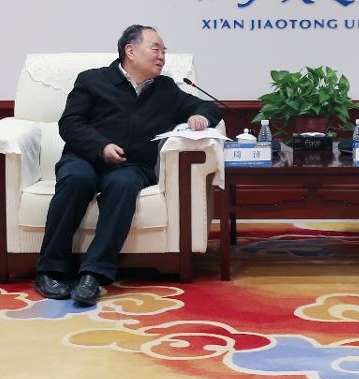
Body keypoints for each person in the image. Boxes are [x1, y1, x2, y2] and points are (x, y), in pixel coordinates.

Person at [34, 25, 221, 306]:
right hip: (84, 157)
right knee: (76, 180)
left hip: (131, 166)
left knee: (123, 185)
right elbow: (70, 124)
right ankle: (49, 270)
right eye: (156, 49)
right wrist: (101, 147)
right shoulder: (92, 80)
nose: (162, 56)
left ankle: (93, 274)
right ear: (130, 51)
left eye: (164, 51)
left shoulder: (165, 89)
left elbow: (209, 107)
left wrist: (201, 118)